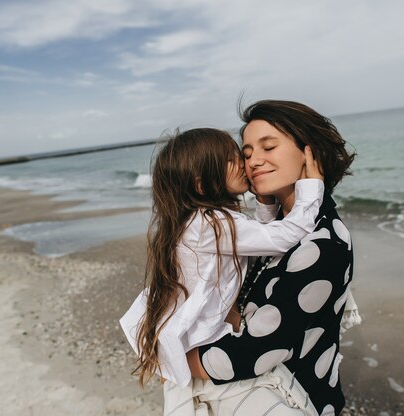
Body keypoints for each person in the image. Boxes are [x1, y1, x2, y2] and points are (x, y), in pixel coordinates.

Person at [185, 100, 358, 416]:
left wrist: (183, 359)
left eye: (268, 147)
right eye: (247, 153)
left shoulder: (323, 242)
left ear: (310, 153)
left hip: (294, 402)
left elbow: (258, 350)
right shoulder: (280, 226)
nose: (253, 161)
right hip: (259, 396)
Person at [119, 128, 325, 390]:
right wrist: (312, 185)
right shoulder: (212, 224)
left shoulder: (201, 220)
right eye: (230, 159)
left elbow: (260, 241)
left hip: (195, 331)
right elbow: (287, 236)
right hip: (201, 337)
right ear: (201, 185)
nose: (243, 162)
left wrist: (264, 202)